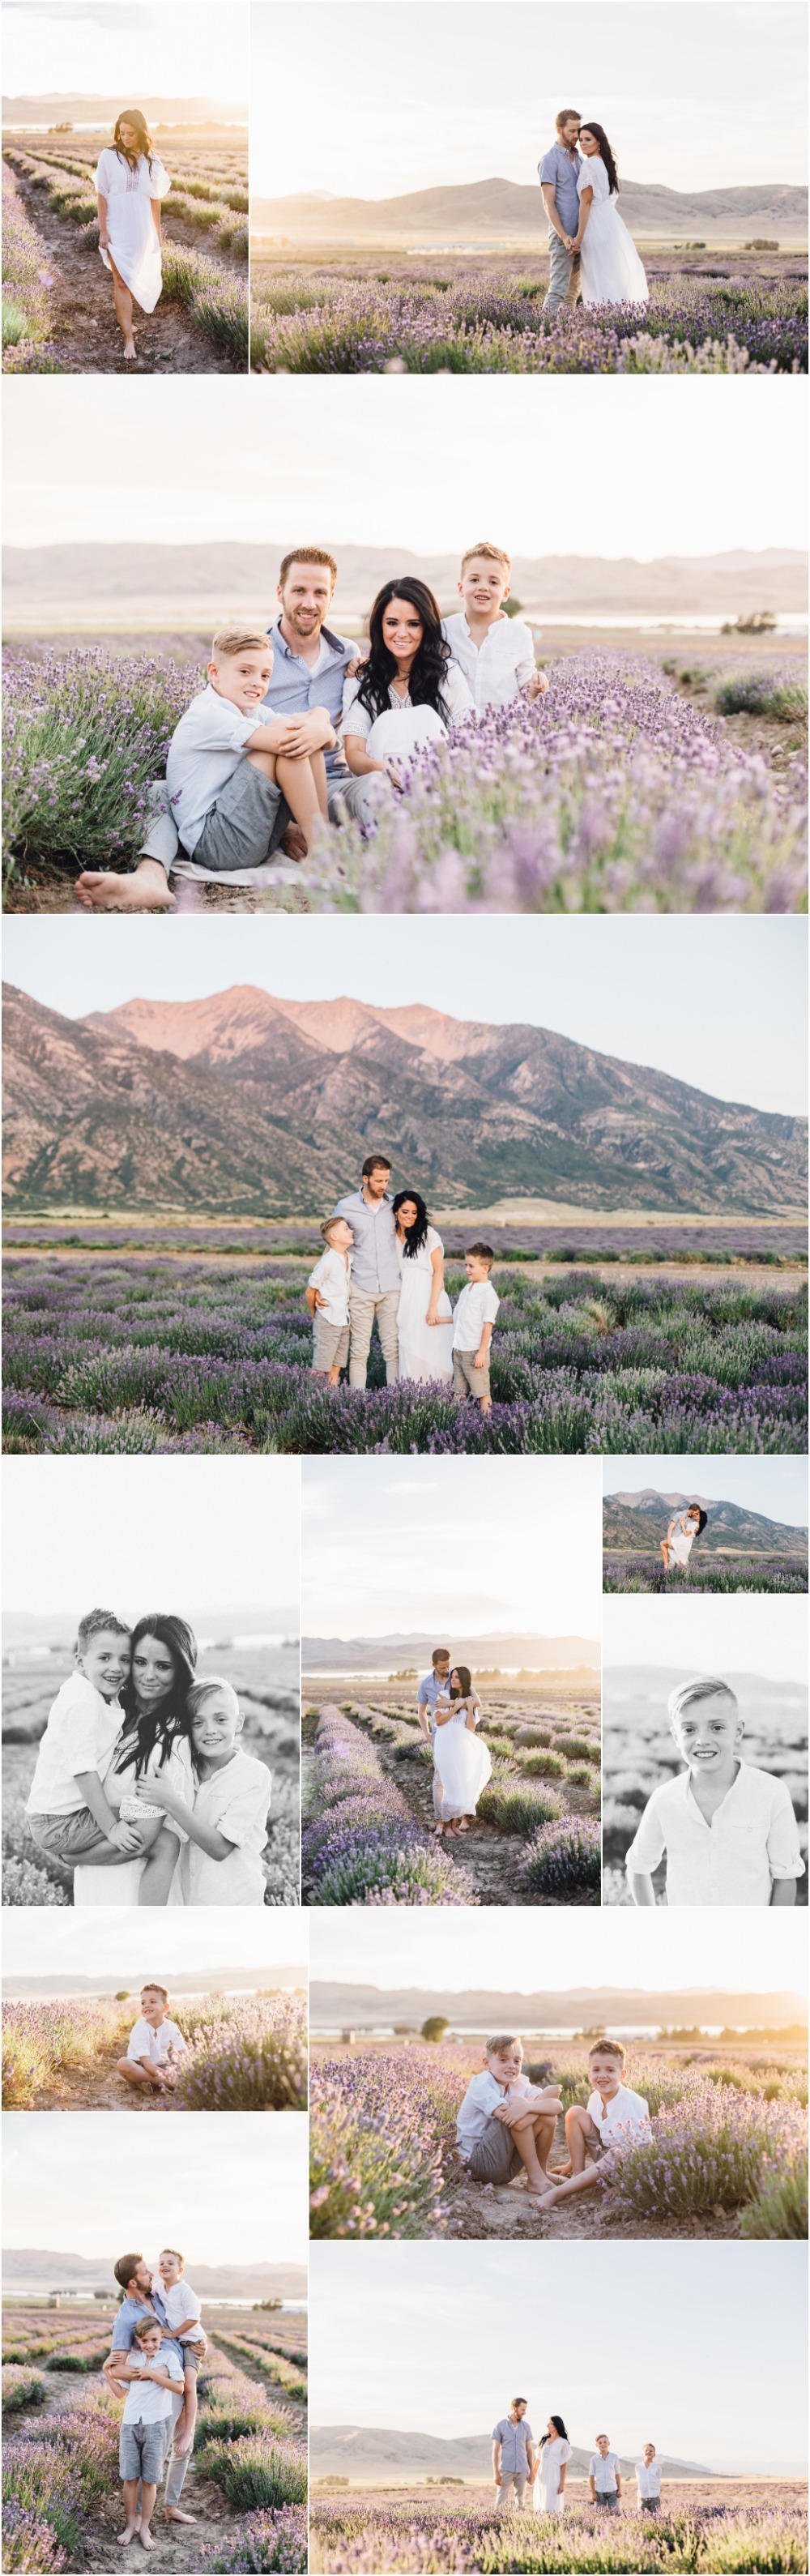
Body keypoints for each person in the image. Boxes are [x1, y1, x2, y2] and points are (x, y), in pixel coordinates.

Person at [75, 626, 333, 911]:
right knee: (293, 744)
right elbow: (289, 741)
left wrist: (321, 723)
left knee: (303, 736)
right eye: (245, 672)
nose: (257, 683)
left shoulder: (252, 710)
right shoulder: (208, 713)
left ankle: (321, 841)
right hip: (217, 845)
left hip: (249, 838)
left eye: (265, 675)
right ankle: (323, 848)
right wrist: (320, 731)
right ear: (214, 672)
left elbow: (310, 722)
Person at [625, 1675, 804, 1907]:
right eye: (689, 1729)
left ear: (738, 1731)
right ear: (676, 1737)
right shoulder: (664, 1798)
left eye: (717, 1727)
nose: (702, 1740)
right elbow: (638, 1867)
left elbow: (786, 1877)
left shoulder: (771, 1792)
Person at [83, 1615, 199, 1910]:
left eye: (163, 1666)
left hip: (133, 1886)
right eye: (140, 1662)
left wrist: (67, 1854)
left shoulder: (173, 1737)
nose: (149, 1675)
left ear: (181, 1672)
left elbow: (144, 1838)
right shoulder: (114, 1715)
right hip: (94, 1879)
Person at [24, 1608, 146, 1875]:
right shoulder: (81, 1702)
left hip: (58, 1816)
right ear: (81, 1659)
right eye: (105, 1657)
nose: (116, 1667)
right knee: (150, 1823)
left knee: (144, 1814)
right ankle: (72, 1856)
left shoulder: (92, 1690)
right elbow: (83, 1769)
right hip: (57, 1821)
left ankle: (72, 1852)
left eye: (125, 1659)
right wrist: (111, 1828)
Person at [342, 577, 473, 825]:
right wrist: (386, 771)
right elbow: (354, 753)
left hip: (438, 784)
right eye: (392, 623)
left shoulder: (447, 674)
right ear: (379, 626)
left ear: (426, 627)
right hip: (381, 784)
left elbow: (467, 739)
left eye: (413, 624)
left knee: (425, 715)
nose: (402, 633)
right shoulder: (361, 680)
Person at [134, 1677, 271, 1906]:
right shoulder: (182, 1769)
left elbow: (220, 1848)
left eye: (220, 1720)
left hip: (234, 1905)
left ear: (238, 1723)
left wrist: (170, 1801)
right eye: (198, 1723)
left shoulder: (253, 1774)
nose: (210, 1730)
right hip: (189, 1903)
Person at [263, 548, 373, 824]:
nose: (309, 603)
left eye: (320, 593)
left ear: (331, 597)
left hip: (332, 784)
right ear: (280, 593)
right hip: (270, 792)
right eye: (299, 591)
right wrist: (283, 827)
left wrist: (374, 672)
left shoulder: (347, 654)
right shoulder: (254, 655)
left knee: (380, 791)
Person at [104, 2251, 205, 2529]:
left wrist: (198, 2345)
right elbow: (117, 2368)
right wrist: (154, 2374)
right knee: (158, 2451)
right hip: (163, 2389)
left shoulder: (158, 2296)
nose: (151, 2274)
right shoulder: (125, 2318)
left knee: (185, 2447)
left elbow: (183, 2321)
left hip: (179, 2372)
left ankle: (171, 2507)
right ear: (133, 2283)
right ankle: (137, 2517)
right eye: (144, 2272)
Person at [535, 2039, 650, 2211]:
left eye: (610, 2070)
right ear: (589, 2075)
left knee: (617, 2152)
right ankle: (578, 2176)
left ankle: (558, 2193)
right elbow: (589, 2134)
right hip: (603, 2158)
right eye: (596, 2070)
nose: (602, 2075)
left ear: (623, 2075)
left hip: (629, 2168)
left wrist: (627, 2184)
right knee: (574, 2112)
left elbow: (645, 2150)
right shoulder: (595, 2097)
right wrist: (570, 2165)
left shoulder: (632, 2104)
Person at [95, 110, 171, 361]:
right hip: (116, 224)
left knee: (133, 276)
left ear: (141, 133)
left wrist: (156, 233)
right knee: (121, 282)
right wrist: (103, 231)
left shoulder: (152, 161)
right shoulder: (108, 156)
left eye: (131, 133)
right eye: (121, 133)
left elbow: (155, 201)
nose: (125, 138)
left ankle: (126, 321)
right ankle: (129, 339)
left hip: (140, 227)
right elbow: (102, 194)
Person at [443, 544, 548, 711]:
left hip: (503, 729)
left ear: (505, 593)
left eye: (493, 582)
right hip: (457, 729)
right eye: (474, 579)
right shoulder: (445, 629)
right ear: (461, 588)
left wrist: (535, 685)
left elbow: (526, 683)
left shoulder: (519, 633)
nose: (483, 587)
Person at [456, 2034, 562, 2198]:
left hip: (506, 2170)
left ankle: (541, 2173)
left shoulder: (518, 2082)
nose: (511, 2066)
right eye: (503, 2060)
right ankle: (535, 2178)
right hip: (479, 2165)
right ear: (487, 2063)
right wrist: (531, 2107)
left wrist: (528, 2107)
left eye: (517, 2061)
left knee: (546, 2117)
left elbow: (556, 2104)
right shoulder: (482, 2084)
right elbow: (516, 2122)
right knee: (518, 2102)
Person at [330, 1156, 401, 1389]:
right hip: (361, 1287)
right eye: (379, 1180)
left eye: (387, 1181)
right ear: (365, 1178)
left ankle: (397, 1400)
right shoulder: (345, 1206)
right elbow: (333, 1246)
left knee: (393, 1350)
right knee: (359, 1351)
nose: (383, 1186)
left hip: (391, 1287)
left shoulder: (394, 1206)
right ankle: (357, 1404)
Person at [116, 2315, 184, 2553]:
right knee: (130, 2478)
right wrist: (106, 2371)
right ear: (138, 2340)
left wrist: (152, 2373)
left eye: (154, 2339)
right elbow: (120, 2392)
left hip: (155, 2424)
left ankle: (145, 2528)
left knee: (150, 2480)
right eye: (145, 2340)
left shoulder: (169, 2358)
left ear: (161, 2337)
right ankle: (130, 2525)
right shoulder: (133, 2359)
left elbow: (179, 2387)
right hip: (131, 2423)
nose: (150, 2345)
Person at [570, 123, 649, 306]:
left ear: (599, 142)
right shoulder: (603, 164)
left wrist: (579, 238)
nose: (583, 143)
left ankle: (606, 318)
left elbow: (586, 203)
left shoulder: (589, 165)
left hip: (595, 225)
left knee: (599, 276)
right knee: (611, 273)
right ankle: (619, 316)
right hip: (609, 223)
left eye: (588, 139)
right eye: (580, 140)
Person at [392, 1190, 454, 1382]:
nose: (410, 1216)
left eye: (414, 1212)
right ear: (396, 1212)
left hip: (429, 1297)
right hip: (406, 1300)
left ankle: (437, 1399)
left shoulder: (428, 1235)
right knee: (410, 1347)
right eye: (405, 1212)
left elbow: (439, 1271)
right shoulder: (391, 1236)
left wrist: (433, 1307)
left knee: (432, 1350)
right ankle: (414, 1398)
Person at [156, 2249, 205, 2462]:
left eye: (171, 2263)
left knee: (189, 2386)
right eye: (161, 2263)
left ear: (180, 2269)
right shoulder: (159, 2288)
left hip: (191, 2343)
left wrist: (174, 2333)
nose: (165, 2266)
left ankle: (188, 2433)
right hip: (176, 2343)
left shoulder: (184, 2290)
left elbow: (194, 2318)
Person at [433, 1665, 492, 1835]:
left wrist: (470, 1708)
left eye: (458, 1677)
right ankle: (445, 1826)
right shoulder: (443, 1696)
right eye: (453, 1676)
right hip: (445, 1743)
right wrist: (455, 1707)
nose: (453, 1679)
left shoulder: (469, 1699)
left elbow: (471, 1729)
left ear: (465, 1680)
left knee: (460, 1785)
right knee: (449, 1783)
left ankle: (454, 1826)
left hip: (462, 1744)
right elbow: (439, 1721)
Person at [538, 110, 582, 310]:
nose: (577, 135)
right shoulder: (549, 160)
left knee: (572, 294)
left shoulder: (580, 159)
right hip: (562, 237)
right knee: (557, 292)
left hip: (581, 238)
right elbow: (548, 203)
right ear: (559, 130)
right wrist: (564, 236)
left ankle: (566, 336)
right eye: (572, 130)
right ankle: (544, 336)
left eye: (578, 130)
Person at [305, 1216, 354, 1385]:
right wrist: (315, 1314)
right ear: (334, 1237)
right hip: (328, 1320)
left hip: (343, 1321)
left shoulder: (348, 1257)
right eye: (346, 1229)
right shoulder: (328, 1261)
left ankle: (330, 1403)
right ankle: (312, 1401)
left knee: (336, 1367)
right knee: (320, 1368)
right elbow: (310, 1291)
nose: (351, 1231)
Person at [451, 1244, 499, 1414]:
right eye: (466, 1265)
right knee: (459, 1391)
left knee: (482, 1393)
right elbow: (458, 1316)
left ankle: (488, 1426)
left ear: (485, 1268)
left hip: (474, 1352)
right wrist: (438, 1320)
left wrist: (481, 1352)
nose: (466, 1269)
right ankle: (456, 1422)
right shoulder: (468, 1288)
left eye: (471, 1266)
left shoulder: (488, 1294)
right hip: (459, 1349)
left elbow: (488, 1326)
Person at [117, 1983, 187, 2098]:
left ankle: (147, 2084)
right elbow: (147, 2065)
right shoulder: (140, 2027)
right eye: (143, 2003)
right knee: (123, 2063)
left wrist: (190, 2070)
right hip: (139, 2066)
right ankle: (155, 2081)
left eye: (152, 2002)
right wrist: (171, 2078)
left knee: (179, 2068)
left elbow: (184, 2052)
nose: (146, 2006)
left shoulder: (172, 2027)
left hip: (160, 2066)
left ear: (166, 2008)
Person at [492, 2398, 535, 2514]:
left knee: (521, 2501)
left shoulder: (526, 2427)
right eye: (522, 2409)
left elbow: (529, 2450)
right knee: (501, 2499)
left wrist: (532, 2471)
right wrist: (496, 2472)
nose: (524, 2412)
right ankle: (495, 2522)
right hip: (506, 2469)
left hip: (522, 2469)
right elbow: (495, 2451)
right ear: (514, 2408)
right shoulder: (500, 2426)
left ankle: (519, 2523)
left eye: (525, 2410)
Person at [532, 2416, 571, 2516]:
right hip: (542, 2475)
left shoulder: (563, 2442)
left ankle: (553, 2523)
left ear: (556, 2425)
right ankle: (542, 2523)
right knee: (541, 2500)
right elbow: (538, 2460)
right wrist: (532, 2474)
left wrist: (562, 2483)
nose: (547, 2425)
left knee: (551, 2501)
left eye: (550, 2423)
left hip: (554, 2475)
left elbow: (564, 2465)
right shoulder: (544, 2440)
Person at [660, 1503, 706, 1574]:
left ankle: (685, 1580)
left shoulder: (691, 1521)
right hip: (675, 1542)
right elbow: (670, 1528)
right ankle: (668, 1574)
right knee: (674, 1564)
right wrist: (669, 1541)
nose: (696, 1515)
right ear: (692, 1510)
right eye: (696, 1513)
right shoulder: (679, 1515)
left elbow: (688, 1534)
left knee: (682, 1565)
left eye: (698, 1514)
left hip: (681, 1544)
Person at [590, 2435, 621, 2510]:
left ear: (609, 2443)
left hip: (613, 2490)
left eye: (605, 2442)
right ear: (596, 2445)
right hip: (599, 2491)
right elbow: (591, 2477)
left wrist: (619, 2489)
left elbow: (617, 2474)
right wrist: (593, 2493)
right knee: (600, 2514)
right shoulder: (594, 2459)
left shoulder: (614, 2457)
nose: (603, 2444)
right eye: (600, 2442)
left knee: (615, 2513)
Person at [634, 2444, 662, 2514]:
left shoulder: (657, 2467)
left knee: (657, 2518)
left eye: (651, 2451)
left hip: (655, 2497)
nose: (648, 2452)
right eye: (646, 2450)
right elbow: (639, 2480)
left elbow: (658, 2479)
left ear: (654, 2454)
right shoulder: (638, 2467)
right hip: (642, 2497)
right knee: (641, 2518)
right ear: (642, 2454)